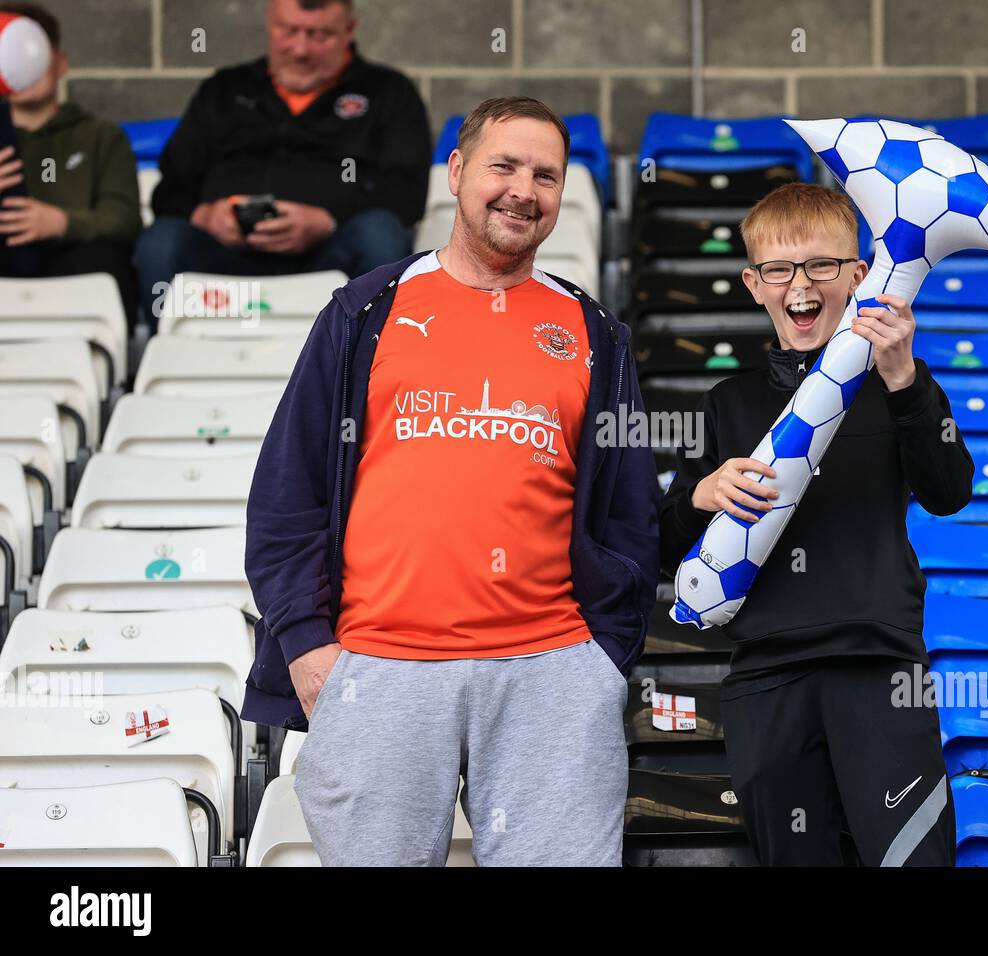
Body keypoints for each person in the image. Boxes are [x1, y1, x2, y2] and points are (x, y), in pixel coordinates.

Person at [241, 96, 659, 867]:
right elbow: (285, 493)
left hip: (552, 672)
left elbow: (632, 511)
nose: (522, 191)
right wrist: (306, 646)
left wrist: (602, 659)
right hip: (378, 668)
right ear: (458, 172)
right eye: (503, 166)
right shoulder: (365, 309)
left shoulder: (596, 333)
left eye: (545, 175)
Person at [659, 183, 974, 866]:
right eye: (779, 269)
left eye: (821, 266)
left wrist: (904, 378)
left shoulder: (899, 385)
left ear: (859, 276)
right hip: (765, 679)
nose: (799, 285)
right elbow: (662, 544)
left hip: (880, 667)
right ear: (753, 283)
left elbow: (950, 490)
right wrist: (703, 495)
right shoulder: (727, 404)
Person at [135, 0, 430, 328]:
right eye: (288, 31)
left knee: (380, 234)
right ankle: (162, 361)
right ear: (269, 23)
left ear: (350, 30)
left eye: (320, 35)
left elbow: (407, 193)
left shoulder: (388, 93)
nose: (301, 49)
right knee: (160, 242)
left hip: (332, 255)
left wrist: (327, 221)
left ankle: (370, 368)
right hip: (223, 257)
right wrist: (206, 215)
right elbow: (170, 189)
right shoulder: (224, 89)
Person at [0, 1, 141, 320]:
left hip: (73, 265)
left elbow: (124, 220)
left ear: (58, 62)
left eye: (30, 54)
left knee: (107, 261)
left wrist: (62, 224)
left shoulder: (101, 136)